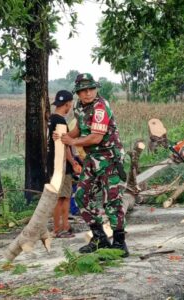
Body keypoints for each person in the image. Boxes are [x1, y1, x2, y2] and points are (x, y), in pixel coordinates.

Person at [57, 73, 128, 256]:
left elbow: (96, 137)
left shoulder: (100, 107)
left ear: (96, 89)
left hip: (109, 157)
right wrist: (65, 137)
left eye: (91, 89)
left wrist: (73, 143)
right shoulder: (80, 106)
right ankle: (99, 239)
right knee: (81, 195)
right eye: (83, 90)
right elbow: (79, 128)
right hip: (92, 157)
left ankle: (120, 243)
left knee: (112, 200)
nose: (88, 93)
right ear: (78, 93)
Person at [47, 90, 80, 238]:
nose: (70, 107)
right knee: (63, 197)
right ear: (67, 104)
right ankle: (60, 228)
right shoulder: (60, 121)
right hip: (60, 164)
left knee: (61, 196)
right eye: (70, 104)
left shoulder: (51, 119)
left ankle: (61, 226)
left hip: (52, 163)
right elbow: (65, 146)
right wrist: (73, 163)